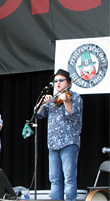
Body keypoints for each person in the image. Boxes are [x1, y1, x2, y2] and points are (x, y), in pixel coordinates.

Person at [36, 69, 83, 201]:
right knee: (54, 179)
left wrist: (67, 101)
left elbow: (73, 115)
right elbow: (38, 114)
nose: (57, 83)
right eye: (55, 81)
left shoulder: (75, 97)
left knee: (69, 178)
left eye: (61, 80)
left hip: (69, 142)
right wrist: (43, 103)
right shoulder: (53, 99)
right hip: (53, 144)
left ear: (68, 82)